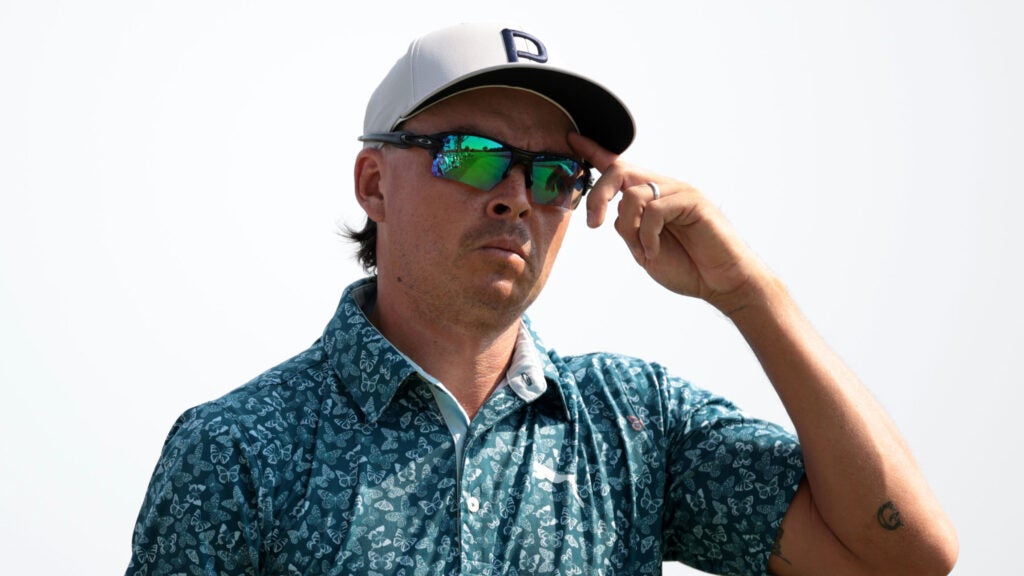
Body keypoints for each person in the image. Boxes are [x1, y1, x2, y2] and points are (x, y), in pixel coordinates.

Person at [125, 22, 958, 576]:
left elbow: (907, 555)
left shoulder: (634, 421)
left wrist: (751, 295)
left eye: (558, 175)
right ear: (374, 184)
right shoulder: (237, 449)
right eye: (474, 155)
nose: (517, 196)